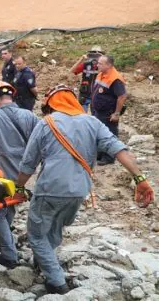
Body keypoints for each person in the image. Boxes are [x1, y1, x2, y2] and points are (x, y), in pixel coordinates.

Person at [17, 84, 154, 295]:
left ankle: (57, 283)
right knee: (54, 227)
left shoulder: (46, 123)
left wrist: (18, 187)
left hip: (50, 189)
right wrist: (140, 178)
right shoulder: (92, 122)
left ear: (51, 105)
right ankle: (45, 261)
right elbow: (117, 148)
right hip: (79, 191)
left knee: (36, 235)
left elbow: (28, 164)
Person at [0, 81, 39, 268]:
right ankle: (0, 239)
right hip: (25, 175)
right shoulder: (30, 116)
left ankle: (9, 254)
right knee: (10, 205)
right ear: (12, 97)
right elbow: (39, 144)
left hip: (1, 175)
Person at [91, 55, 127, 165]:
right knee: (99, 133)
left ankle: (109, 157)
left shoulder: (115, 79)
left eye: (100, 64)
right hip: (98, 111)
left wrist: (116, 113)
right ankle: (101, 154)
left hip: (108, 112)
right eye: (98, 63)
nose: (97, 65)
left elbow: (122, 96)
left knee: (110, 133)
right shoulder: (102, 74)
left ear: (109, 65)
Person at [70, 46, 103, 112]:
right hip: (84, 94)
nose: (95, 57)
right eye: (93, 55)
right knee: (82, 114)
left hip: (96, 94)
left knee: (96, 116)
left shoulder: (103, 66)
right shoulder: (85, 64)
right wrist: (81, 59)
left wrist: (101, 62)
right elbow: (72, 71)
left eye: (97, 56)